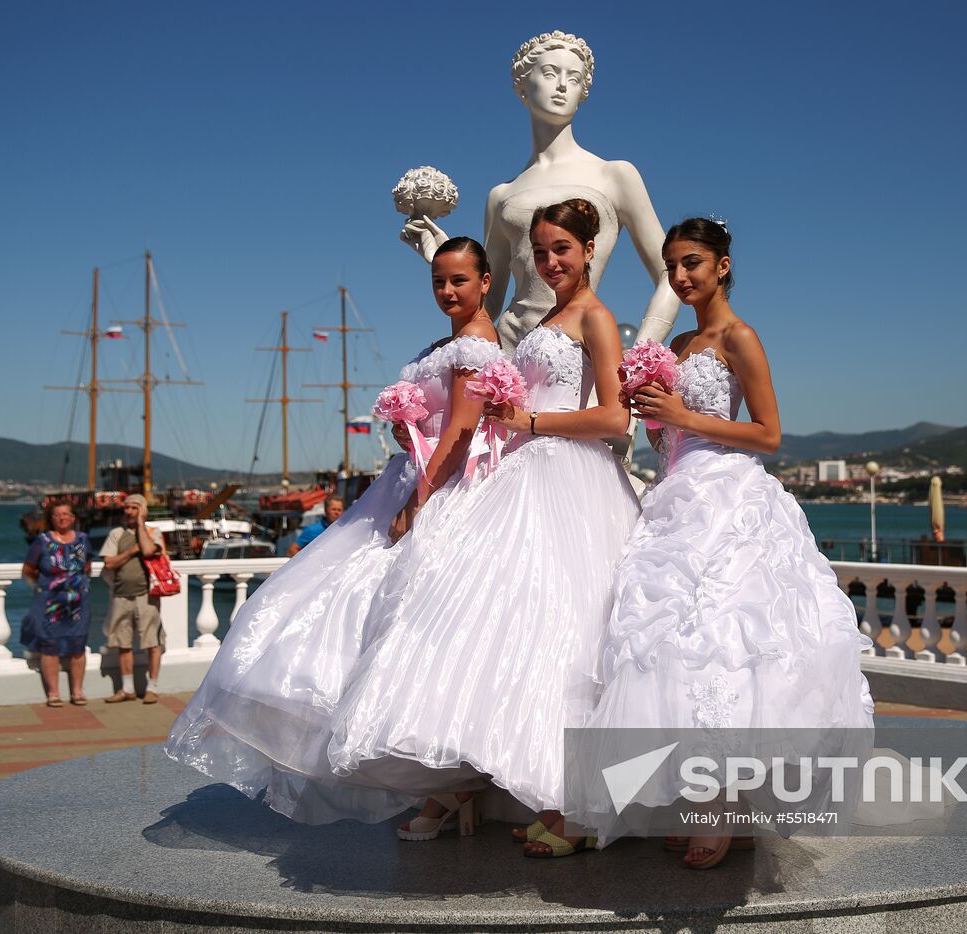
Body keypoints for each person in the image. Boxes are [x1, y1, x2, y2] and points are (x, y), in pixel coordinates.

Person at [325, 198, 639, 855]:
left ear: (589, 252)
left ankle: (570, 802)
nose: (551, 261)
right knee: (503, 623)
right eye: (542, 251)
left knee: (569, 627)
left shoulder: (597, 318)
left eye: (563, 249)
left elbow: (616, 420)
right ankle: (467, 777)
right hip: (519, 472)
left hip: (570, 480)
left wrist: (530, 423)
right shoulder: (551, 317)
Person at [165, 238, 503, 813]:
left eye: (459, 282)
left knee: (402, 624)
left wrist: (419, 501)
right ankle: (437, 787)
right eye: (438, 282)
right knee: (357, 612)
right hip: (410, 476)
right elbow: (438, 423)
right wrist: (407, 431)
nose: (447, 292)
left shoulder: (475, 347)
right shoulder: (453, 343)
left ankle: (443, 781)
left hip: (439, 489)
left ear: (486, 282)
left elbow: (462, 433)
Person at [579, 218, 875, 868]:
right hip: (674, 496)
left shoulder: (739, 337)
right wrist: (655, 415)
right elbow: (669, 436)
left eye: (692, 263)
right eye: (672, 267)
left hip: (729, 501)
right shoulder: (679, 341)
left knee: (725, 640)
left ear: (721, 265)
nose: (681, 277)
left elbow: (769, 434)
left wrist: (688, 416)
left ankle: (723, 804)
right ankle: (707, 803)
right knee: (669, 642)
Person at [400, 30, 680, 352]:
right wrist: (446, 260)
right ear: (523, 86)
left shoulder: (614, 175)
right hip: (510, 352)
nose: (562, 85)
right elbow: (488, 300)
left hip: (577, 351)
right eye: (550, 73)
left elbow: (670, 272)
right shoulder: (501, 195)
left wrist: (639, 355)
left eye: (574, 78)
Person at [20, 502, 92, 707]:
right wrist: (47, 587)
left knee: (78, 644)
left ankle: (77, 691)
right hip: (50, 603)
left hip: (78, 603)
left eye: (66, 514)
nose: (62, 518)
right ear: (52, 518)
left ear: (73, 518)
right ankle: (54, 693)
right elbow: (29, 569)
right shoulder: (41, 542)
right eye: (58, 515)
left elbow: (86, 566)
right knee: (49, 645)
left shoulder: (83, 540)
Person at [100, 493, 167, 704]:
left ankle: (152, 687)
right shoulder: (116, 534)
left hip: (147, 595)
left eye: (134, 508)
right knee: (123, 642)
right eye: (127, 507)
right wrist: (130, 551)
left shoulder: (153, 532)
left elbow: (148, 551)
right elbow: (109, 563)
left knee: (152, 641)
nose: (129, 511)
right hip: (121, 595)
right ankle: (127, 688)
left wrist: (140, 525)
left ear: (143, 510)